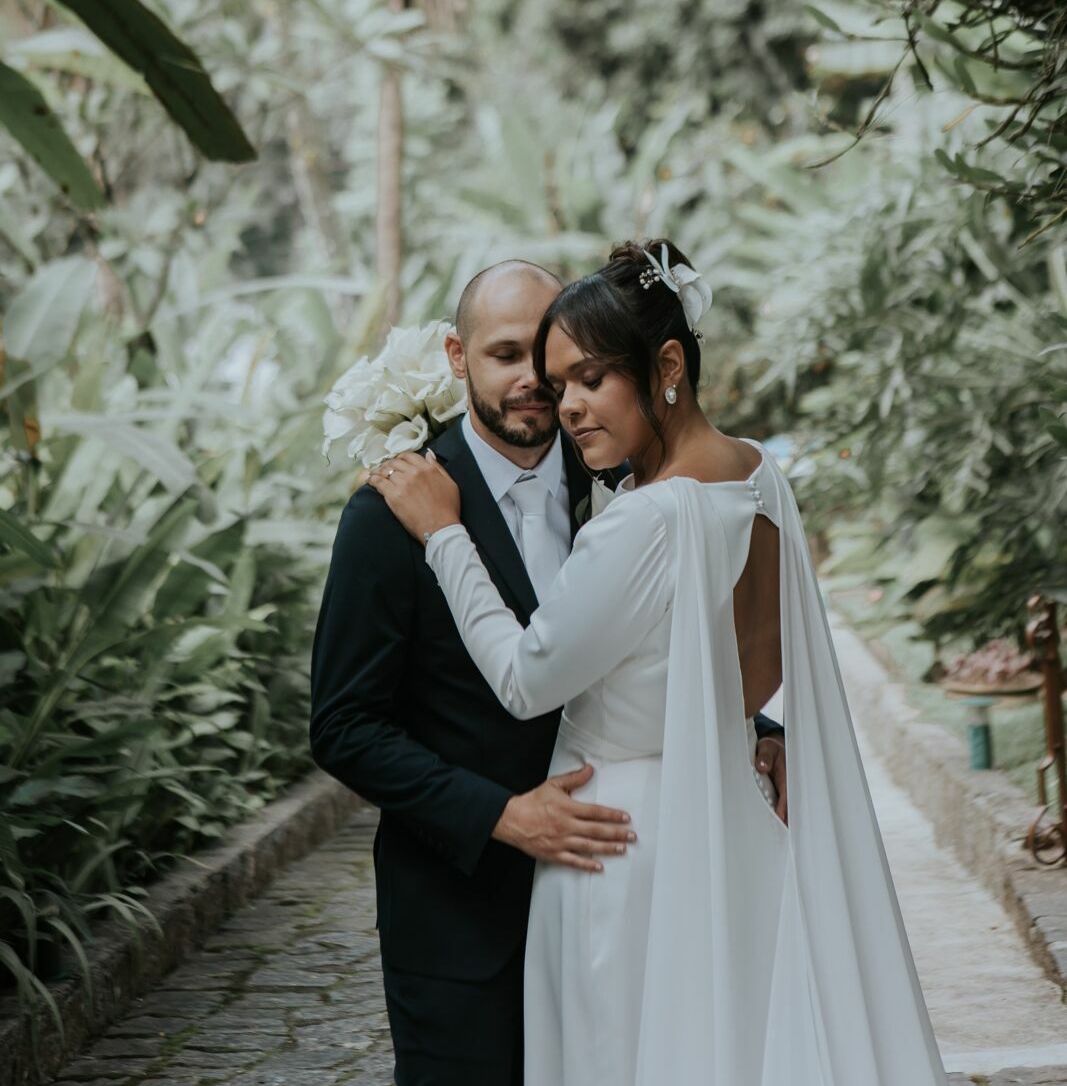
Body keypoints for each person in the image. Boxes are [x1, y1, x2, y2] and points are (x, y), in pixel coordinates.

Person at [369, 240, 947, 1086]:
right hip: (731, 820)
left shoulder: (643, 521)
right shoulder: (757, 474)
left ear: (665, 364)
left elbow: (527, 680)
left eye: (590, 378)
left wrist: (444, 535)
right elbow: (736, 655)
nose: (567, 406)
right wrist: (757, 727)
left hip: (620, 846)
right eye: (557, 382)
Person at [310, 258, 786, 1086]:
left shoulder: (619, 476)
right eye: (505, 356)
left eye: (555, 359)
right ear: (457, 359)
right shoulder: (390, 512)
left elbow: (661, 639)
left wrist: (750, 726)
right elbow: (344, 728)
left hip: (627, 901)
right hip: (464, 924)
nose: (539, 384)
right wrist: (497, 815)